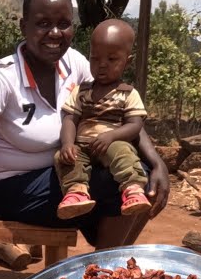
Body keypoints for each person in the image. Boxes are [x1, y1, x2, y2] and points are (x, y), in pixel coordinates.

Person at [0, 0, 169, 248]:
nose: (54, 33)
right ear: (23, 26)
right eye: (42, 23)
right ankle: (104, 271)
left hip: (67, 172)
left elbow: (121, 110)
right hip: (14, 187)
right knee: (128, 181)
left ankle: (105, 267)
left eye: (63, 23)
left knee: (141, 177)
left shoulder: (75, 63)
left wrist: (158, 163)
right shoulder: (2, 75)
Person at [55, 18, 150, 219]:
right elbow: (70, 119)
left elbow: (135, 125)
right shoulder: (82, 91)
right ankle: (76, 193)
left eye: (112, 59)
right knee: (64, 158)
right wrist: (67, 144)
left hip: (111, 145)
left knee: (124, 152)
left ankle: (133, 189)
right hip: (83, 146)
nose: (102, 66)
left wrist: (112, 137)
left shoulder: (128, 94)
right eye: (95, 59)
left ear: (128, 61)